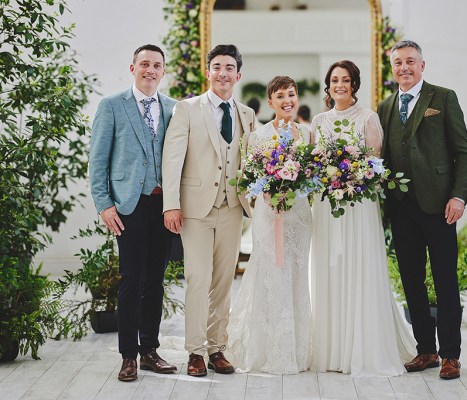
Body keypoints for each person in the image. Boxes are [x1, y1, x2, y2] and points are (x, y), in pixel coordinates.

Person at [310, 60, 416, 378]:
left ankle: (360, 346)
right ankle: (331, 348)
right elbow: (315, 165)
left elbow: (374, 166)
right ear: (328, 86)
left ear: (354, 84)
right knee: (328, 268)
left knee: (358, 267)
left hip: (358, 207)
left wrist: (352, 176)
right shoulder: (318, 120)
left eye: (345, 80)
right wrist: (329, 177)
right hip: (328, 207)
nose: (339, 85)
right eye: (334, 80)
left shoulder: (369, 119)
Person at [377, 40, 467, 380]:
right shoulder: (385, 106)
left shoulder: (443, 98)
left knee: (446, 280)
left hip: (439, 206)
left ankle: (450, 355)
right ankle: (426, 351)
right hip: (402, 208)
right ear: (393, 68)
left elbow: (462, 151)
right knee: (412, 282)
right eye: (399, 62)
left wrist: (458, 196)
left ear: (422, 65)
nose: (404, 67)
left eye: (411, 62)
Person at [161, 44, 256, 377]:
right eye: (217, 67)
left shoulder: (246, 114)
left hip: (232, 208)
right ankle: (195, 352)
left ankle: (218, 349)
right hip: (195, 210)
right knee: (198, 279)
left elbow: (252, 163)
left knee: (223, 283)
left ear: (238, 75)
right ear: (208, 72)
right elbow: (172, 160)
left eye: (229, 67)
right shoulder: (187, 109)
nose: (223, 73)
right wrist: (170, 204)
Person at [89, 44, 177, 382]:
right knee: (131, 279)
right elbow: (97, 160)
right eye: (144, 64)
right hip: (128, 205)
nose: (150, 70)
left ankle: (150, 350)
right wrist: (103, 203)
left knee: (156, 280)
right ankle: (128, 356)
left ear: (163, 71)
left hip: (164, 204)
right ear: (133, 68)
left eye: (156, 65)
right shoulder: (111, 106)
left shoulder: (173, 109)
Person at [226, 76, 312, 374]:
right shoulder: (258, 136)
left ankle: (297, 348)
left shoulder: (307, 134)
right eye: (280, 96)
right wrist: (266, 194)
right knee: (270, 273)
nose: (287, 100)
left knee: (297, 274)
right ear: (271, 101)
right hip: (268, 213)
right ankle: (267, 348)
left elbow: (312, 176)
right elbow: (248, 177)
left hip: (298, 214)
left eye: (291, 94)